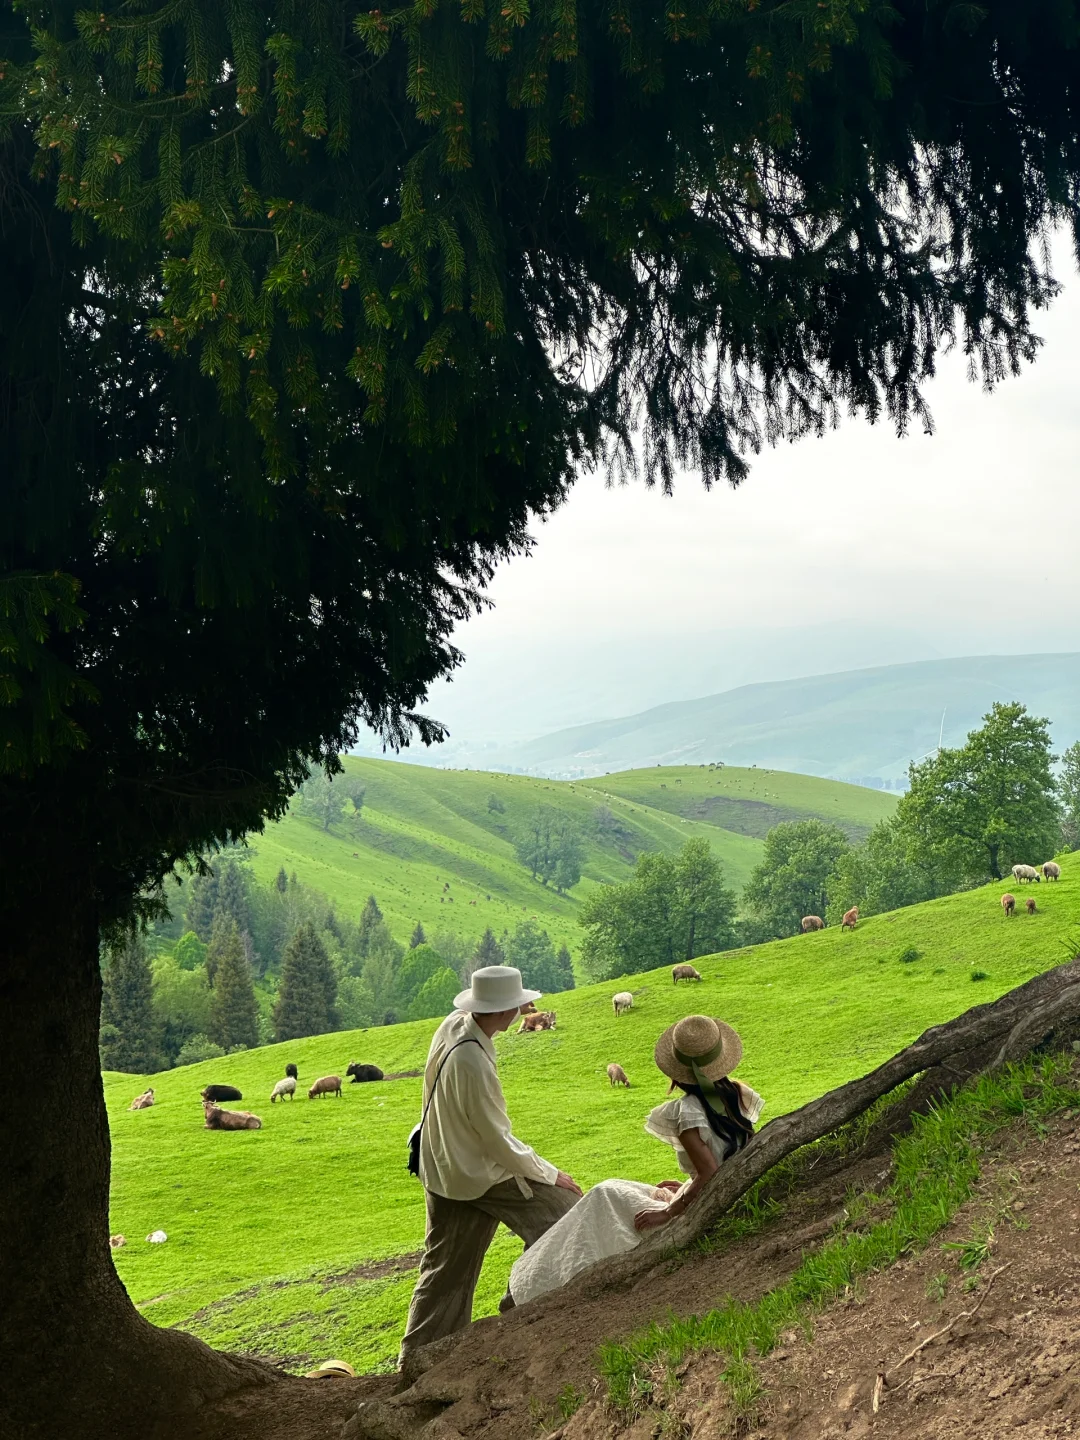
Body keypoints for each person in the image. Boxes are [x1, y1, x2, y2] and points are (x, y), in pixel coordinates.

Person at [508, 1014, 763, 1307]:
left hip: (703, 1210)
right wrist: (685, 1185)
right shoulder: (738, 1094)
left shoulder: (689, 1112)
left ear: (677, 1073)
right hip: (719, 1196)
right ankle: (535, 1280)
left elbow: (710, 1173)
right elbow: (731, 1161)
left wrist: (669, 1212)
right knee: (613, 1192)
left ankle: (534, 1285)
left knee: (603, 1198)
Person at [399, 965, 582, 1369]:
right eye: (517, 1005)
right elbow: (496, 1140)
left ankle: (419, 1359)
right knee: (562, 1218)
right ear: (505, 1011)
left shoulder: (454, 1025)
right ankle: (516, 1312)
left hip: (442, 1163)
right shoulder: (473, 1063)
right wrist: (551, 1174)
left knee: (444, 1269)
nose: (522, 1010)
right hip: (477, 1172)